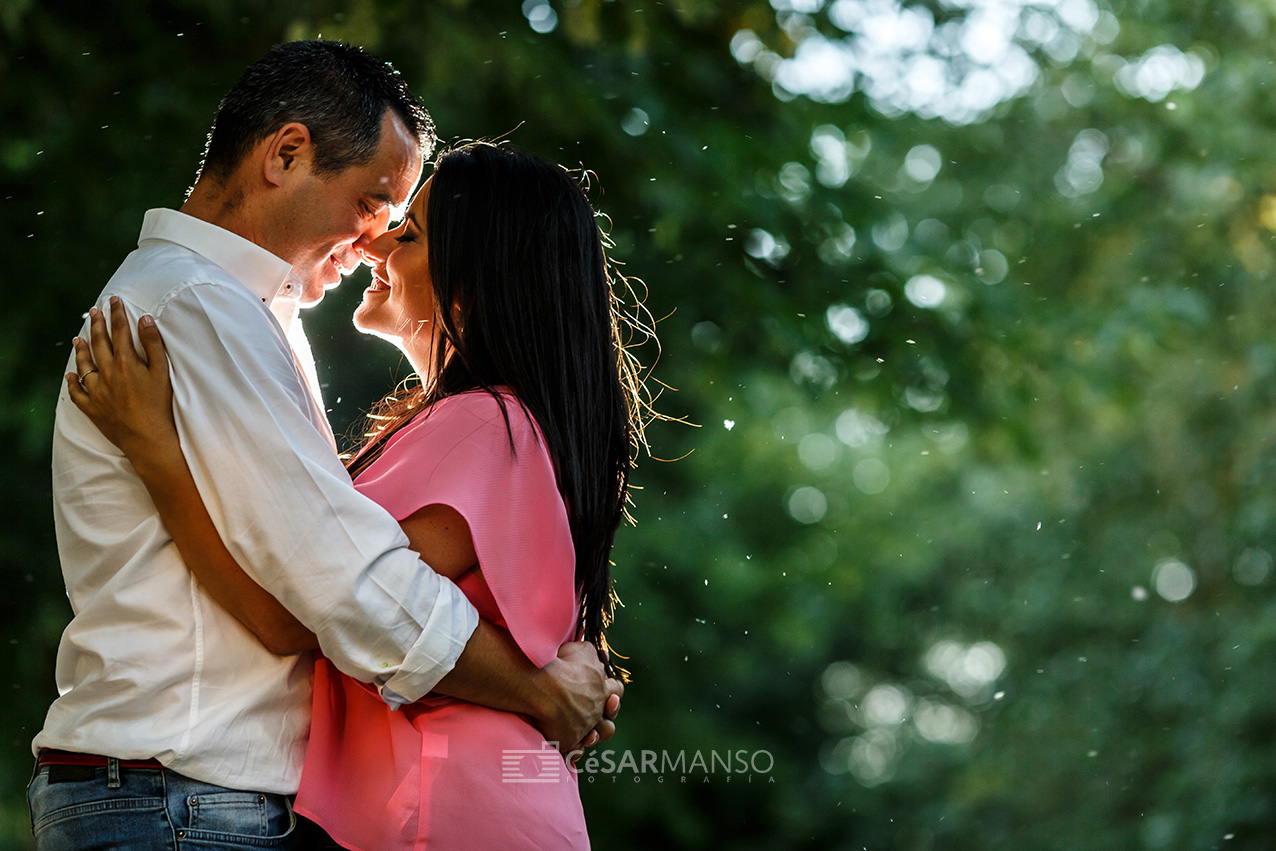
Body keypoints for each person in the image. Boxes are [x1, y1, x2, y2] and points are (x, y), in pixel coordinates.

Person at [30, 41, 619, 851]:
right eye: (375, 201)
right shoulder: (202, 307)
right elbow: (348, 588)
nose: (375, 239)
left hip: (182, 793)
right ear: (287, 155)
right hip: (180, 792)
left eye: (400, 221)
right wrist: (542, 691)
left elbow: (318, 585)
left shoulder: (248, 313)